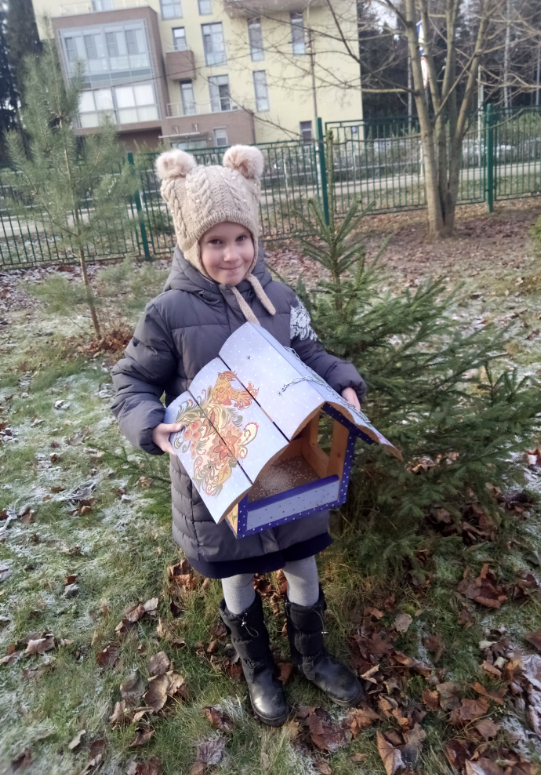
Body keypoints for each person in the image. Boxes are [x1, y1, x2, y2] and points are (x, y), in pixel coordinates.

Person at [111, 145, 367, 727]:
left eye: (241, 238)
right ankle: (259, 668)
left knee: (302, 560)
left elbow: (310, 352)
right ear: (190, 243)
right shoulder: (168, 313)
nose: (232, 254)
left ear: (255, 235)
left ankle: (312, 655)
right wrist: (151, 424)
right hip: (217, 477)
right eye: (215, 241)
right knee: (236, 572)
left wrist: (343, 384)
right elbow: (131, 382)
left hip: (288, 460)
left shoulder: (281, 298)